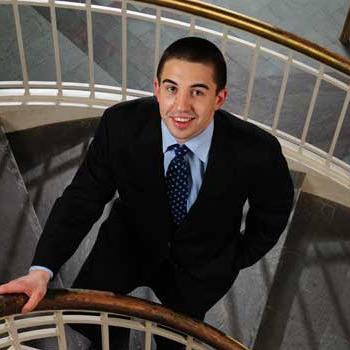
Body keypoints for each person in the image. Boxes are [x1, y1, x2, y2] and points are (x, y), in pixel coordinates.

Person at [0, 37, 294, 349]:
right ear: (156, 88)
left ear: (219, 98)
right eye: (171, 88)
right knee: (94, 320)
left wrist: (236, 256)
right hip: (128, 246)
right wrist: (41, 269)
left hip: (199, 269)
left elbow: (274, 209)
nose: (181, 106)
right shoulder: (121, 125)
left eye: (197, 91)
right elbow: (82, 197)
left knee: (177, 338)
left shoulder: (256, 151)